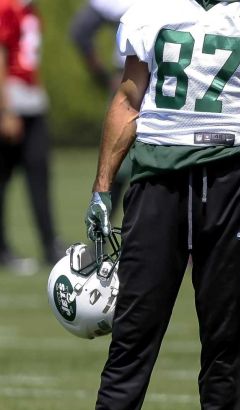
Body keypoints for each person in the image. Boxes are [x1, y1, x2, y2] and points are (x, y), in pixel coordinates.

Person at [83, 0, 240, 410]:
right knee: (133, 336)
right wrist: (102, 189)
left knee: (225, 339)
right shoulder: (150, 11)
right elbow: (129, 101)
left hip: (229, 184)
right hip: (156, 184)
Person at [0, 0, 61, 273]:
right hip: (13, 100)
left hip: (31, 99)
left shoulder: (29, 8)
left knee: (40, 172)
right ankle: (2, 249)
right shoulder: (6, 6)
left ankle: (50, 244)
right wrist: (6, 109)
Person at [70, 0, 137, 220]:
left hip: (147, 81)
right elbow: (80, 31)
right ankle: (104, 233)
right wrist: (104, 77)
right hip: (136, 79)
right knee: (119, 164)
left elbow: (80, 31)